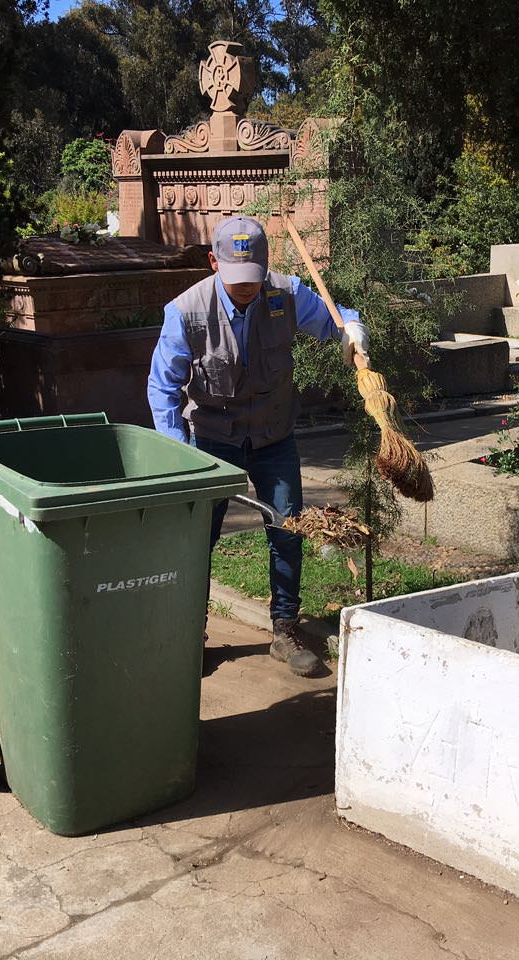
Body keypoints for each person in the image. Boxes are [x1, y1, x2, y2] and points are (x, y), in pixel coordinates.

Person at [147, 216, 368, 677]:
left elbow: (335, 318)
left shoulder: (284, 294)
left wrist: (352, 330)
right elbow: (162, 387)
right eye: (234, 279)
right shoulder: (186, 311)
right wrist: (179, 453)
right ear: (213, 263)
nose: (244, 288)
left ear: (266, 266)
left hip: (274, 436)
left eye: (253, 278)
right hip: (210, 441)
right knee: (196, 540)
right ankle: (192, 631)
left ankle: (285, 630)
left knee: (287, 531)